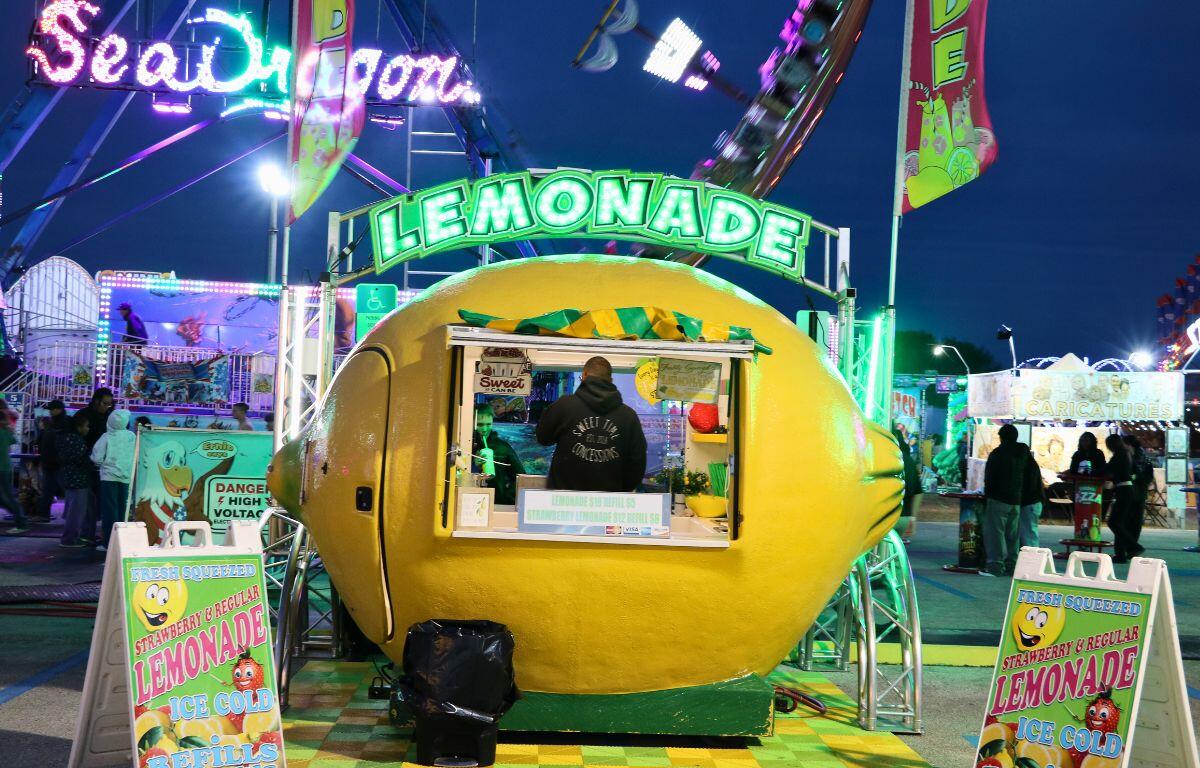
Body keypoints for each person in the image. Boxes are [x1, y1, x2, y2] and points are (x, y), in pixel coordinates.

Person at [535, 356, 647, 492]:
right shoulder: (629, 417)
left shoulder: (563, 406)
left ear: (584, 375)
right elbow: (638, 462)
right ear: (611, 380)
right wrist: (620, 489)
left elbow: (542, 438)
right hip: (609, 504)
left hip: (564, 502)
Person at [982, 424, 1029, 576]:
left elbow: (989, 478)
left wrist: (987, 496)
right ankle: (1012, 565)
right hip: (1016, 500)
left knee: (996, 534)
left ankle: (995, 566)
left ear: (1001, 437)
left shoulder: (997, 453)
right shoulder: (1023, 453)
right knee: (1012, 535)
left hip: (998, 499)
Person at [91, 409, 135, 551]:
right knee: (123, 510)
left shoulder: (107, 436)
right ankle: (123, 542)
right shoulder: (131, 436)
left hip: (108, 478)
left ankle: (108, 543)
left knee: (110, 511)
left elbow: (97, 457)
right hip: (126, 478)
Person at [472, 403, 525, 505]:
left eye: (488, 424)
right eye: (480, 424)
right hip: (470, 501)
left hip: (497, 503)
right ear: (473, 423)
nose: (484, 429)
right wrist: (473, 465)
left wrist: (506, 497)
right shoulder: (467, 446)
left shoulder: (502, 448)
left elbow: (521, 477)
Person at [58, 412, 94, 548]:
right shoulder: (76, 440)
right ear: (78, 427)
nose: (88, 429)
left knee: (77, 509)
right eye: (86, 426)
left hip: (69, 478)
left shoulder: (64, 438)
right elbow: (81, 460)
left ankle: (77, 535)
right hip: (79, 479)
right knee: (76, 512)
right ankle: (69, 539)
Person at [1106, 435, 1142, 563]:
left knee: (1114, 523)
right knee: (1119, 523)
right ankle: (1121, 554)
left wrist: (1090, 471)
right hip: (1128, 490)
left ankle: (1133, 546)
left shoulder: (1119, 455)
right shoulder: (1127, 454)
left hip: (1123, 490)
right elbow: (1137, 471)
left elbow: (1106, 469)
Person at [34, 400, 68, 522]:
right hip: (51, 461)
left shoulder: (62, 423)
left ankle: (45, 514)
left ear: (58, 409)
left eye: (52, 409)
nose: (50, 411)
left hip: (56, 461)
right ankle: (43, 514)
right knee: (49, 489)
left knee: (63, 488)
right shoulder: (56, 422)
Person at [1, 409, 28, 534]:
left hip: (1, 468)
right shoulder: (6, 432)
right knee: (7, 497)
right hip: (5, 468)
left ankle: (21, 522)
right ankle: (21, 520)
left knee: (8, 497)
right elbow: (13, 441)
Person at [1124, 435, 1154, 549]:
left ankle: (1131, 546)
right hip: (1139, 493)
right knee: (1134, 522)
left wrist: (1134, 477)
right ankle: (1132, 546)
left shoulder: (1134, 458)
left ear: (1130, 445)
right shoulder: (1144, 458)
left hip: (1133, 493)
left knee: (1131, 521)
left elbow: (1146, 476)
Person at [1019, 448, 1045, 548]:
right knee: (1029, 532)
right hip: (1035, 503)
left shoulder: (1028, 467)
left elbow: (1029, 486)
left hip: (1029, 503)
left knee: (1028, 534)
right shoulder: (1033, 465)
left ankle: (1033, 558)